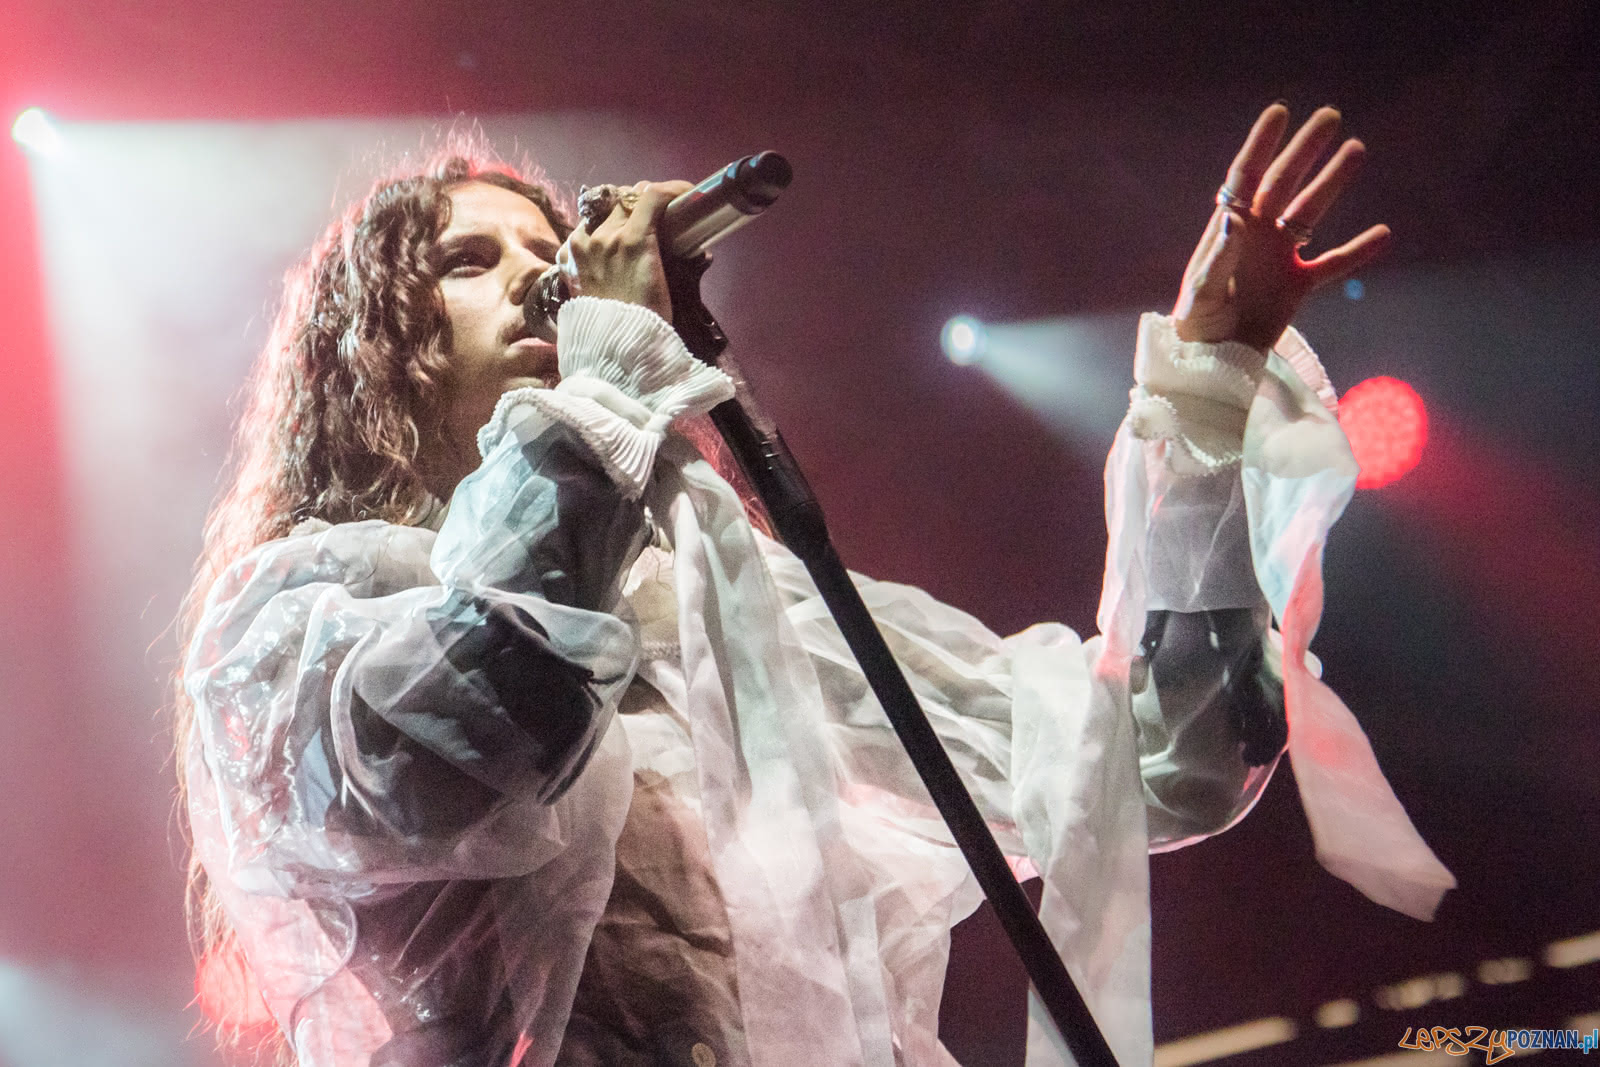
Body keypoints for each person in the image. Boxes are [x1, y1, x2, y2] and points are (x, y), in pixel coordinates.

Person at [176, 105, 1453, 1067]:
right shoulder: (293, 619)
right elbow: (479, 725)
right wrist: (611, 376)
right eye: (467, 258)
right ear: (376, 355)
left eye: (550, 249)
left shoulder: (735, 613)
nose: (538, 277)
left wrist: (1211, 379)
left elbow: (1154, 761)